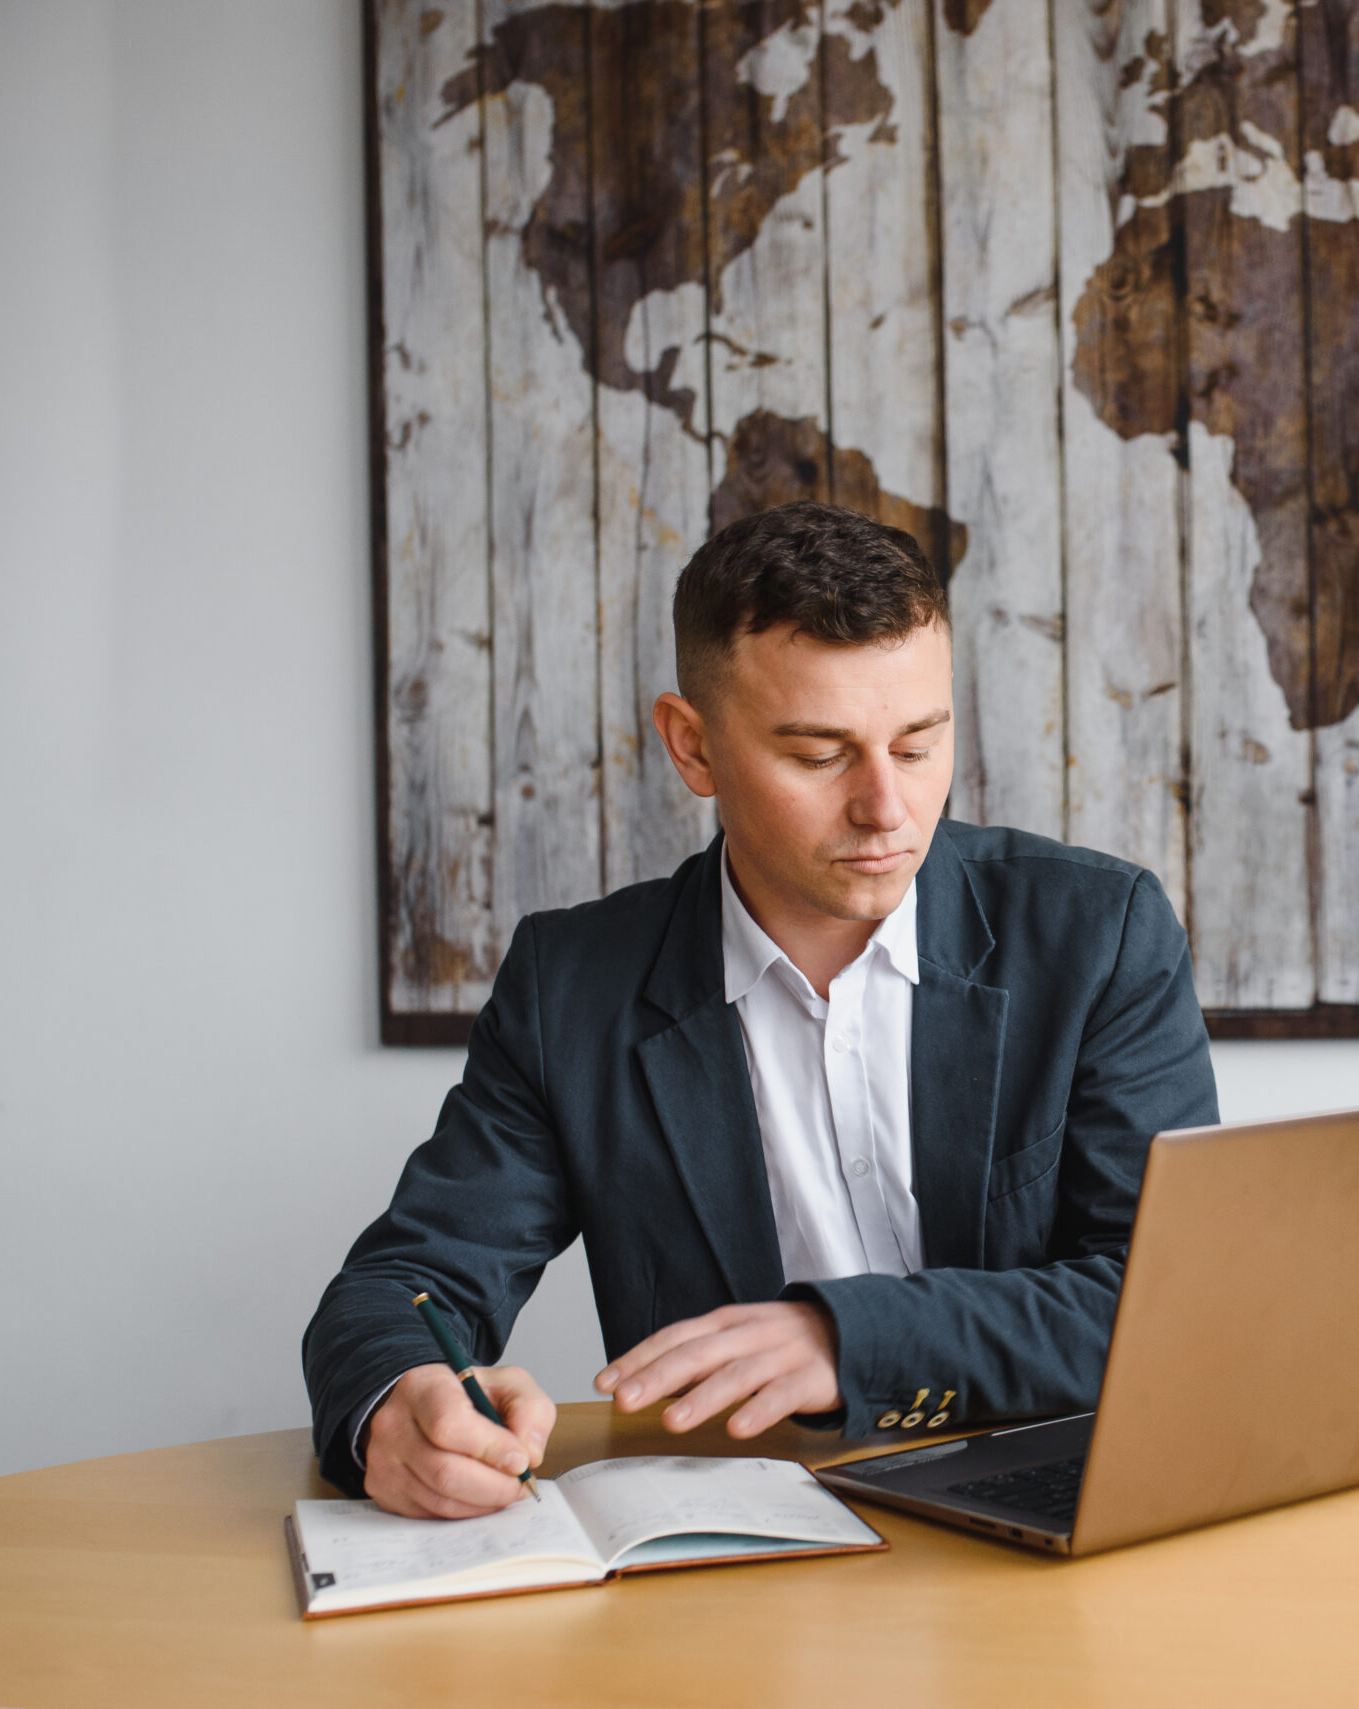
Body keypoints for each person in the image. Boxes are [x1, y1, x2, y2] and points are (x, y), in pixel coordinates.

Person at [304, 502, 1217, 1519]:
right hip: (739, 1547)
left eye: (917, 744)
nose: (887, 807)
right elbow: (408, 1280)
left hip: (1061, 1514)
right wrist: (398, 1402)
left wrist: (845, 1336)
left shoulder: (1100, 933)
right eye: (821, 755)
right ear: (692, 747)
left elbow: (1163, 1300)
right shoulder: (572, 984)